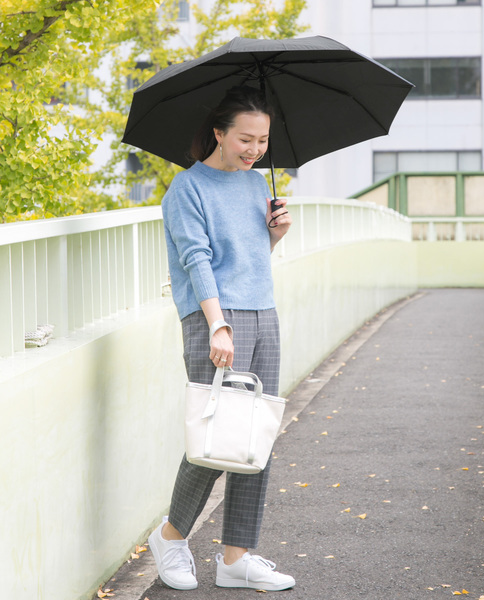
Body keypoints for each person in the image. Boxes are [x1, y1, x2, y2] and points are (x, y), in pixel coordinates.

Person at [148, 85, 294, 592]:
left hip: (263, 312)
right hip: (214, 317)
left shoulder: (258, 187)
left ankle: (236, 557)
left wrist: (274, 235)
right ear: (218, 132)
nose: (255, 149)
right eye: (245, 139)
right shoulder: (187, 190)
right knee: (215, 437)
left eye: (263, 140)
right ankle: (170, 537)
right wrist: (218, 324)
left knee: (255, 436)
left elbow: (250, 262)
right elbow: (198, 261)